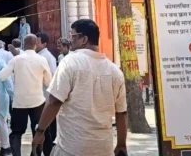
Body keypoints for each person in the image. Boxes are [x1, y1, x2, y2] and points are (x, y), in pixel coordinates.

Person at [31, 19, 128, 156]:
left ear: (84, 39)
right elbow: (121, 113)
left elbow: (54, 102)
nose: (70, 41)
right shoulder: (115, 71)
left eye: (73, 36)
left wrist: (40, 131)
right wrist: (121, 145)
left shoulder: (70, 62)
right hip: (103, 148)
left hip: (71, 148)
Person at [0, 34, 52, 156]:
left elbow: (2, 76)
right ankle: (35, 154)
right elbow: (49, 82)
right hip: (37, 101)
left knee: (16, 133)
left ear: (24, 44)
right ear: (35, 44)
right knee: (38, 131)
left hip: (19, 102)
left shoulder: (16, 60)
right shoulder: (41, 60)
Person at [35, 33, 58, 155]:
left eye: (38, 42)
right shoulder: (39, 56)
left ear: (44, 44)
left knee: (46, 129)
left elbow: (52, 77)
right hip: (41, 96)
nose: (35, 44)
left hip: (46, 97)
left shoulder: (47, 57)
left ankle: (46, 152)